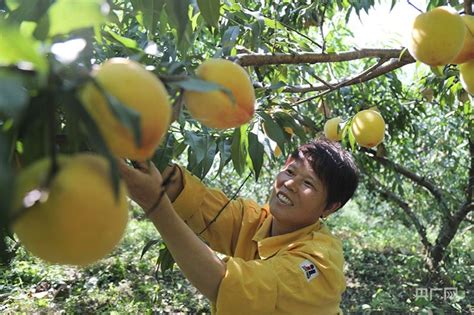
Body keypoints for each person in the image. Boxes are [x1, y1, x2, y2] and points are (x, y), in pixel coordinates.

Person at [117, 137, 359, 314]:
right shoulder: (256, 220)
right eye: (290, 171)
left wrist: (155, 205)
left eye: (308, 183)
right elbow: (198, 202)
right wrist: (136, 149)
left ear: (330, 208)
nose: (290, 184)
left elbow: (223, 283)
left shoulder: (319, 262)